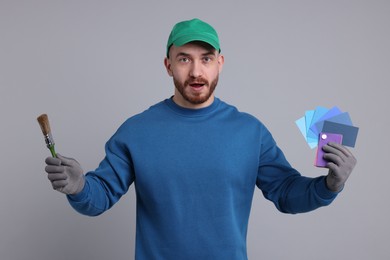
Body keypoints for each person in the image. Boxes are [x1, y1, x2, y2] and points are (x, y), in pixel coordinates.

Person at [44, 18, 357, 259]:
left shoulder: (249, 132)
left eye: (206, 58)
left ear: (220, 62)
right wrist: (80, 187)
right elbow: (99, 197)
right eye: (184, 59)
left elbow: (287, 194)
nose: (196, 71)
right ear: (168, 66)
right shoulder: (137, 131)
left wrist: (330, 185)